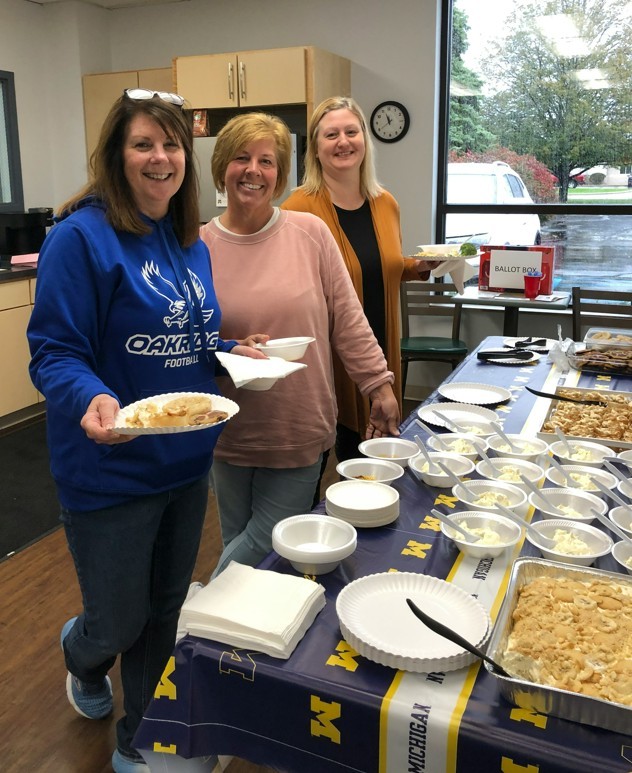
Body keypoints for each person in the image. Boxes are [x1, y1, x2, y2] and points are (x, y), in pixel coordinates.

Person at [27, 89, 264, 773]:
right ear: (116, 155)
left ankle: (141, 735)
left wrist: (229, 351)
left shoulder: (187, 240)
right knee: (119, 621)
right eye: (143, 144)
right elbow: (54, 349)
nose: (159, 158)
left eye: (170, 145)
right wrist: (92, 393)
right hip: (110, 466)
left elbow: (184, 335)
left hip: (186, 460)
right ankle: (82, 647)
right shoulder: (80, 238)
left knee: (165, 609)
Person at [199, 111, 400, 574]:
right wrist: (227, 347)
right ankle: (239, 644)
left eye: (267, 161)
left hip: (298, 422)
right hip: (226, 427)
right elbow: (190, 339)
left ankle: (192, 617)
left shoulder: (310, 235)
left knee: (269, 542)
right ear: (221, 167)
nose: (254, 170)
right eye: (241, 158)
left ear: (280, 173)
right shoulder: (196, 245)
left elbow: (348, 321)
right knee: (239, 538)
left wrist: (380, 385)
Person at [282, 96, 438, 464]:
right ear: (315, 149)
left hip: (381, 345)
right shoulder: (297, 210)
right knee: (331, 460)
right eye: (331, 134)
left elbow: (383, 265)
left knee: (380, 461)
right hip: (329, 357)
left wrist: (418, 266)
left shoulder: (386, 203)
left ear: (365, 141)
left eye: (351, 132)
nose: (343, 142)